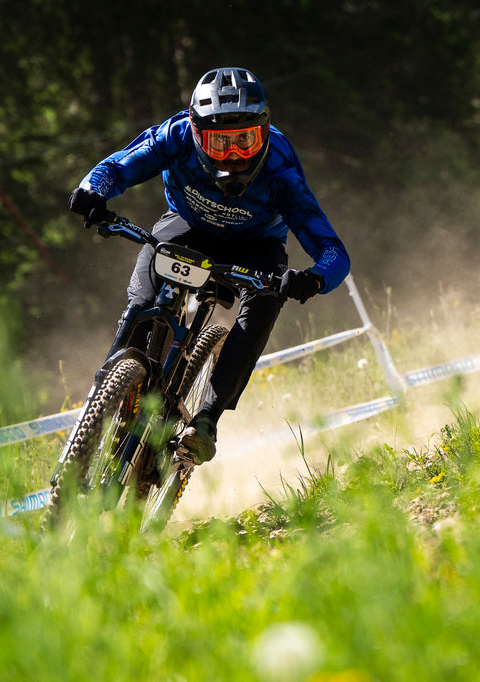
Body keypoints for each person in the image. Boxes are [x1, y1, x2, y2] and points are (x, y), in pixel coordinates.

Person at [68, 67, 350, 464]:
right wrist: (92, 191)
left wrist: (312, 279)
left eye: (245, 141)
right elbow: (115, 168)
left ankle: (206, 421)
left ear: (265, 132)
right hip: (188, 225)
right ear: (197, 133)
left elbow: (333, 252)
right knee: (143, 300)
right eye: (220, 143)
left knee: (264, 305)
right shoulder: (176, 136)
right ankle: (113, 386)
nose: (233, 156)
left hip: (256, 244)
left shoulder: (281, 172)